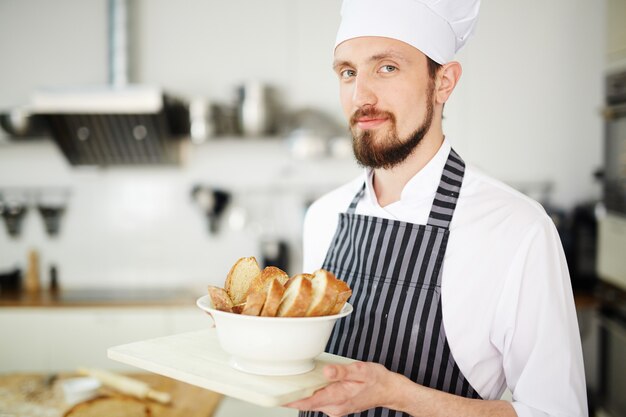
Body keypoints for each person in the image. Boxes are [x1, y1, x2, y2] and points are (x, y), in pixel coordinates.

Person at [286, 0, 587, 416]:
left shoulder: (517, 230)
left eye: (386, 67)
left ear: (443, 82)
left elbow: (558, 413)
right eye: (348, 72)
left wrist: (400, 395)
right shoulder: (323, 216)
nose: (361, 96)